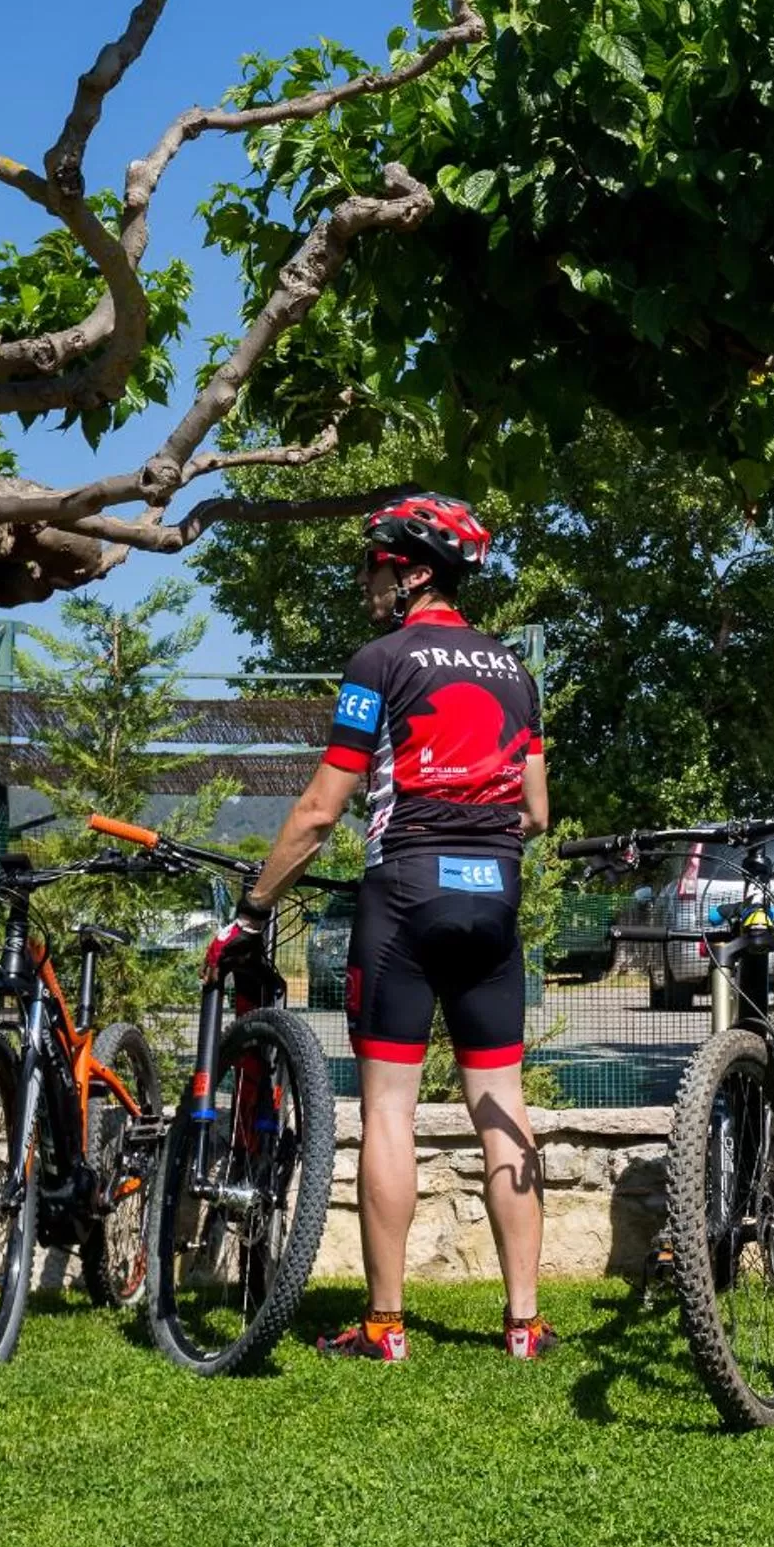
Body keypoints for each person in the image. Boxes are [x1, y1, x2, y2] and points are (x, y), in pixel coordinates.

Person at [207, 491, 555, 1362]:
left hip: (404, 894)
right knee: (502, 1107)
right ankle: (524, 1325)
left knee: (390, 1110)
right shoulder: (515, 671)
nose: (367, 580)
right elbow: (537, 812)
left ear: (415, 572)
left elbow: (321, 810)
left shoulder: (381, 661)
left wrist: (254, 908)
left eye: (376, 565)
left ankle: (385, 1326)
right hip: (495, 896)